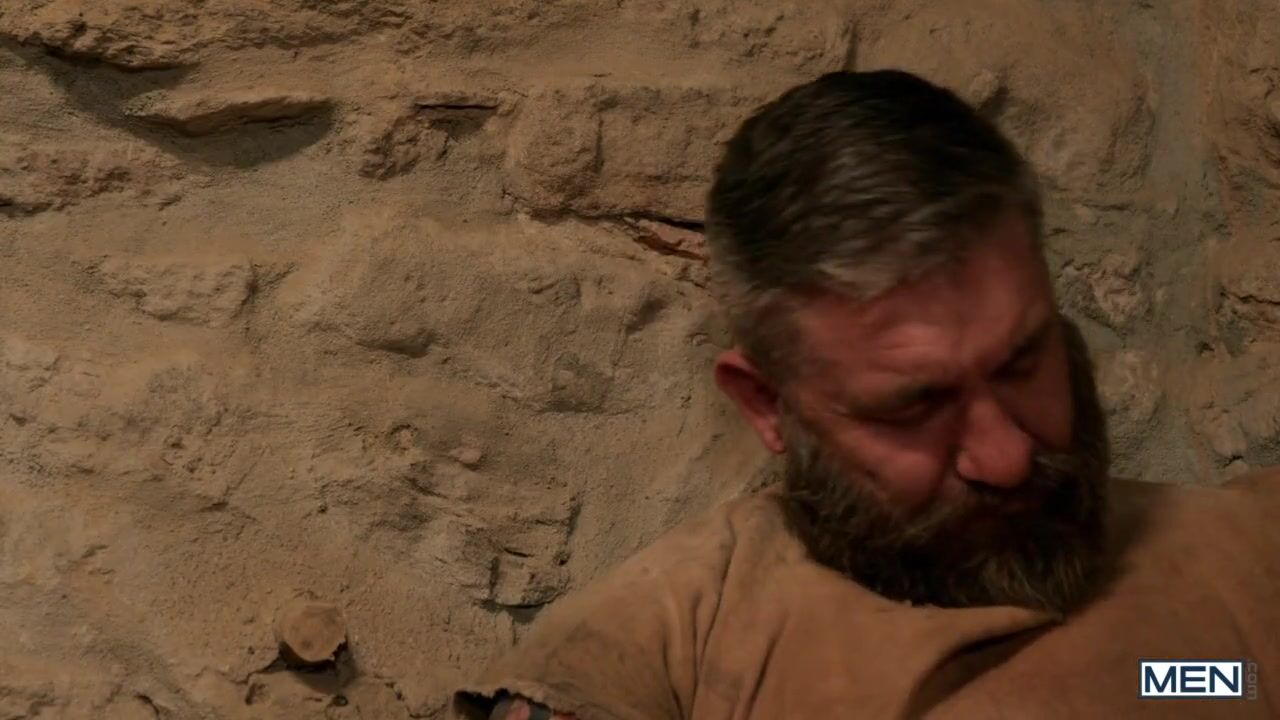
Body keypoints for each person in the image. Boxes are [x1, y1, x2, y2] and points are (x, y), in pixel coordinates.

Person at [452, 70, 1279, 719]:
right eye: (914, 406)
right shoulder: (657, 648)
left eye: (1024, 361)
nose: (1004, 456)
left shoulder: (1244, 561)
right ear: (767, 405)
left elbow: (1194, 677)